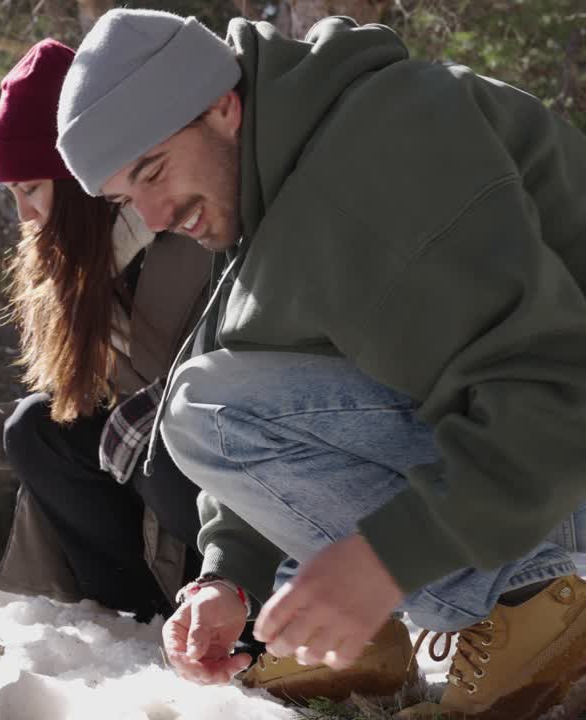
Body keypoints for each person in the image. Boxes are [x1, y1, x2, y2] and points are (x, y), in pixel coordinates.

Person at [56, 9, 586, 718]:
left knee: (205, 412)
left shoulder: (387, 149)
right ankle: (378, 641)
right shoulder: (276, 197)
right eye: (128, 196)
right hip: (549, 476)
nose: (152, 216)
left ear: (223, 106)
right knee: (208, 402)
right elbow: (268, 394)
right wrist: (230, 580)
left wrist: (387, 560)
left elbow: (555, 386)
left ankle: (530, 599)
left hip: (563, 458)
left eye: (153, 170)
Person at [0, 39, 211, 625]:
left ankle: (219, 600)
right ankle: (126, 618)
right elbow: (81, 405)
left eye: (31, 188)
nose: (23, 214)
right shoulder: (72, 263)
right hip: (145, 485)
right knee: (33, 429)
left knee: (149, 444)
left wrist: (150, 416)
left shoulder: (186, 237)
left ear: (77, 176)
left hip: (207, 484)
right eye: (13, 193)